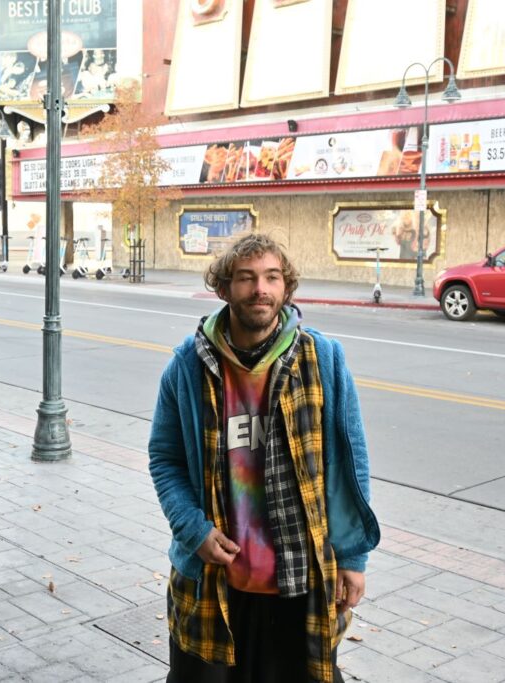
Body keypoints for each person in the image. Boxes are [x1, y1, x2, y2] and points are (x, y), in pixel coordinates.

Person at [149, 233, 379, 682]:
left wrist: (353, 558)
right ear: (224, 288)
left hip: (300, 577)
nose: (261, 289)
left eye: (272, 277)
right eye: (246, 278)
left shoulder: (322, 359)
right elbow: (165, 457)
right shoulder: (188, 364)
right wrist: (192, 529)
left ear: (286, 287)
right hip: (214, 580)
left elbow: (350, 466)